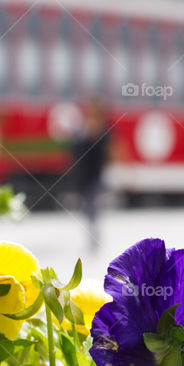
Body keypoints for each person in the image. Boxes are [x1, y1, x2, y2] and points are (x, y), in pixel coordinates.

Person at [69, 99, 110, 252]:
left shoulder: (103, 133)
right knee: (86, 209)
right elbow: (75, 151)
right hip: (82, 177)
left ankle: (94, 239)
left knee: (92, 208)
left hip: (95, 177)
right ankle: (92, 237)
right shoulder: (82, 132)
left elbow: (104, 153)